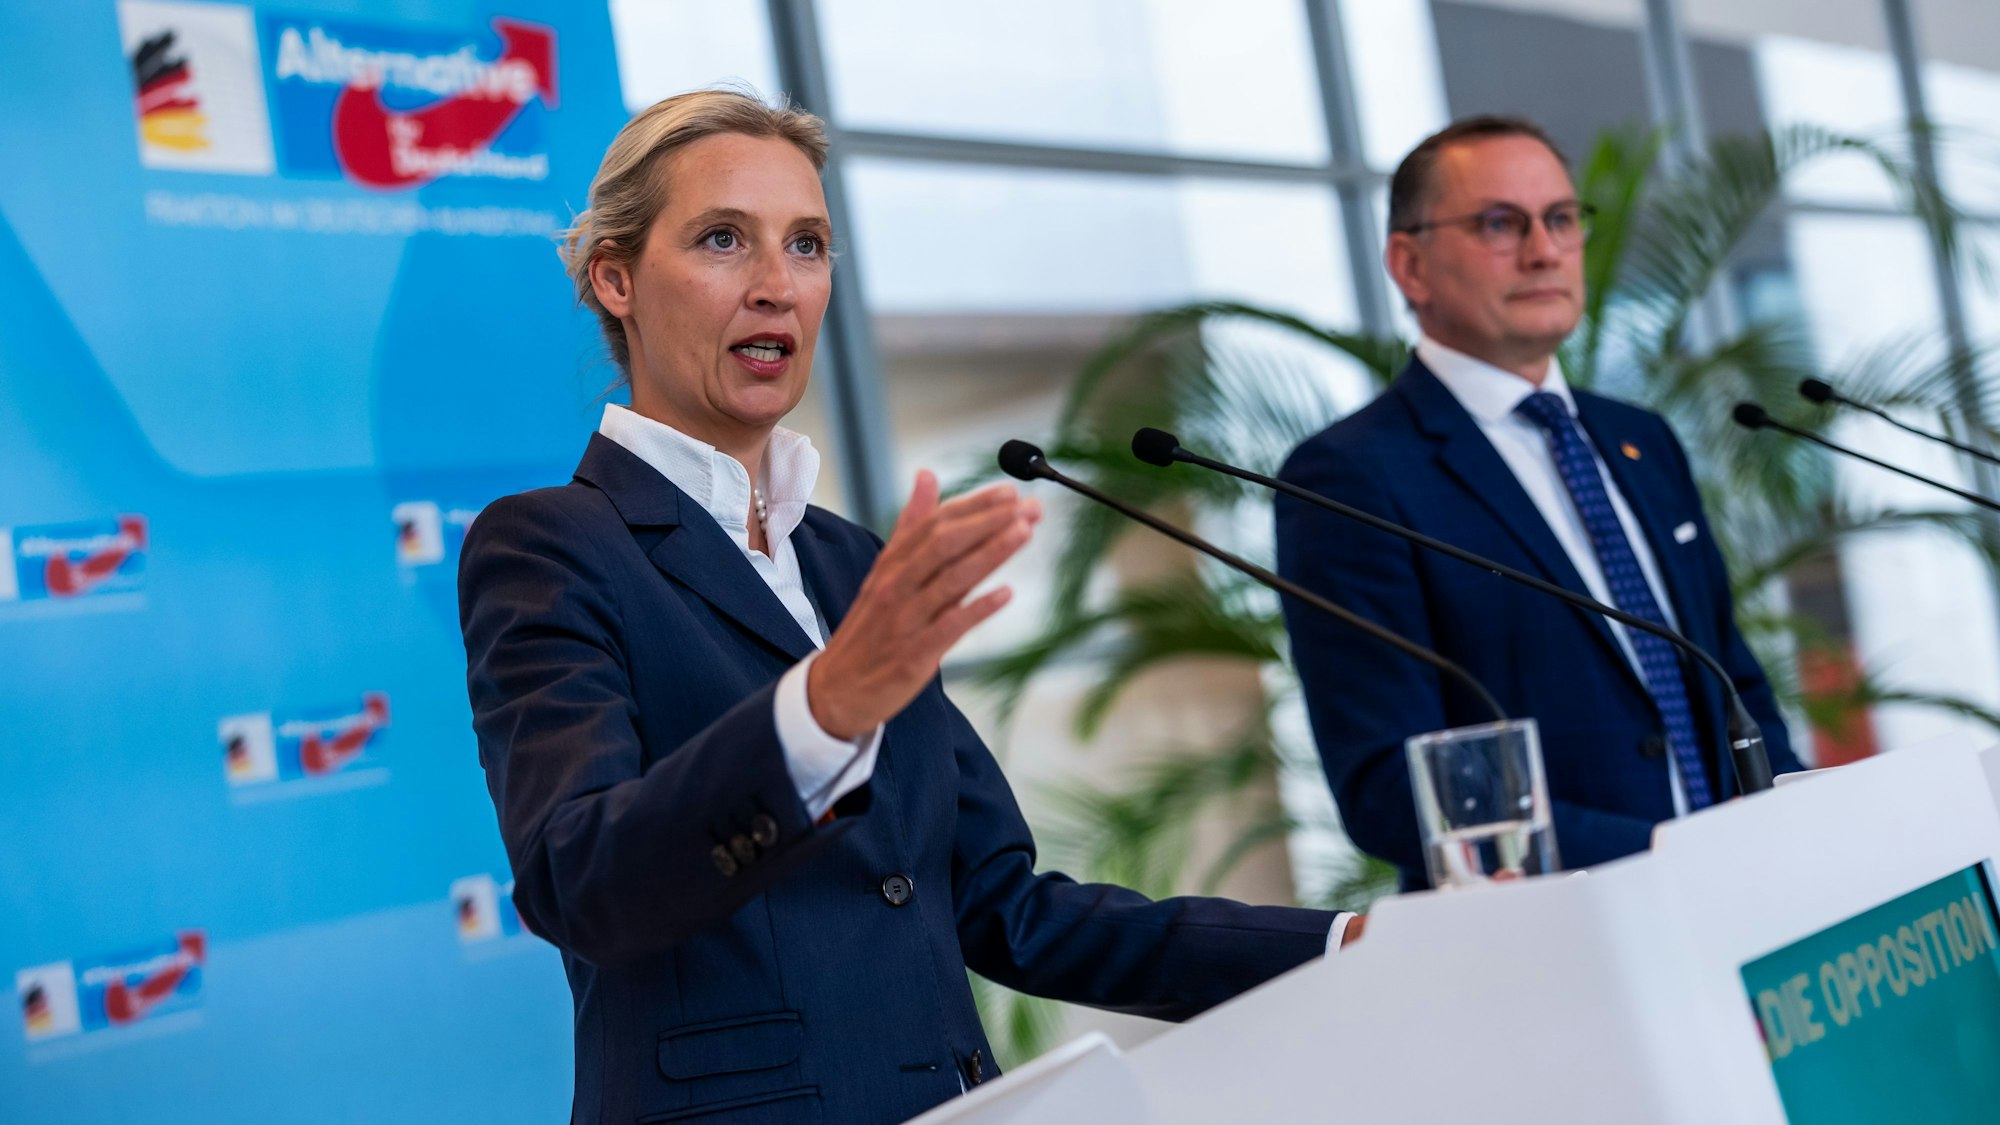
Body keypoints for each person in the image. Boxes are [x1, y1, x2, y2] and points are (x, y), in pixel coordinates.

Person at [458, 90, 1356, 1125]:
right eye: (721, 240)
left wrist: (1338, 946)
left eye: (807, 245)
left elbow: (1006, 908)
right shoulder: (552, 545)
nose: (773, 287)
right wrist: (819, 713)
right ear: (614, 278)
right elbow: (582, 881)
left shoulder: (852, 567)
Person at [1275, 115, 1803, 891]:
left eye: (1560, 219)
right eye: (1500, 223)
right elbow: (1390, 786)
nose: (1544, 249)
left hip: (1743, 897)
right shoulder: (1350, 477)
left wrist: (1798, 821)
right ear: (1409, 264)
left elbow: (1733, 681)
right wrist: (1666, 857)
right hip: (1559, 930)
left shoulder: (1640, 439)